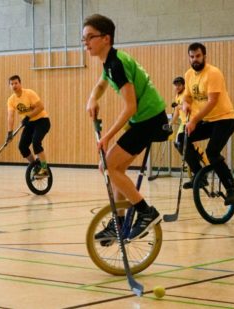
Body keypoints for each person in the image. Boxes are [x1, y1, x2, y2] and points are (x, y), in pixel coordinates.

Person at [82, 14, 168, 241]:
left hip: (149, 120)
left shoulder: (117, 63)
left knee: (108, 166)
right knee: (114, 168)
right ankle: (118, 223)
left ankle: (145, 212)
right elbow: (100, 85)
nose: (86, 43)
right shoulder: (110, 62)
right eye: (84, 39)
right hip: (144, 120)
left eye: (90, 37)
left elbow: (130, 107)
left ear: (106, 38)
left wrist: (107, 136)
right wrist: (92, 98)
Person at [181, 42, 234, 204]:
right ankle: (200, 175)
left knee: (212, 152)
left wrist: (194, 120)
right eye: (192, 57)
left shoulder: (213, 73)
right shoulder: (188, 75)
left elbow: (212, 101)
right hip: (209, 121)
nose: (195, 60)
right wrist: (185, 104)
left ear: (204, 56)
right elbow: (187, 96)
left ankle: (231, 188)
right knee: (181, 140)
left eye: (198, 56)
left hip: (225, 119)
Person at [6, 75, 51, 178]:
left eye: (16, 83)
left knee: (36, 142)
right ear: (10, 86)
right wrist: (10, 132)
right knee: (22, 146)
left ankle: (44, 169)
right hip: (29, 124)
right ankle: (35, 165)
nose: (14, 85)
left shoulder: (29, 93)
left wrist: (28, 116)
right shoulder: (11, 100)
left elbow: (40, 107)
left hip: (42, 121)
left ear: (20, 83)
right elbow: (10, 116)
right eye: (12, 84)